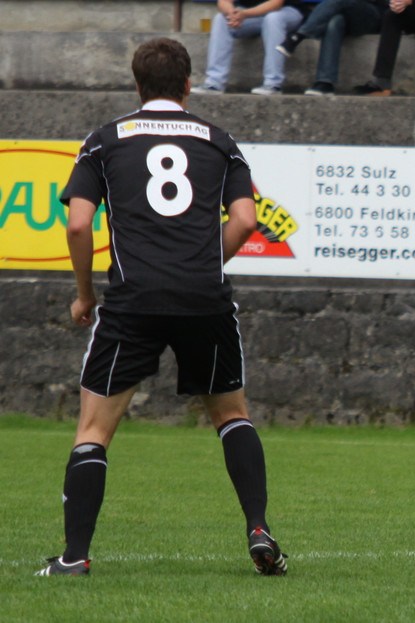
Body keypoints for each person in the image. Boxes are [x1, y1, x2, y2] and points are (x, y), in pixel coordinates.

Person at [36, 37, 287, 576]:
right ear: (189, 85)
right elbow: (245, 220)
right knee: (232, 415)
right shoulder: (220, 141)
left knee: (94, 430)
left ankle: (74, 557)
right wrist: (202, 263)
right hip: (205, 299)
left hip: (134, 300)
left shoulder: (104, 141)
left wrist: (85, 294)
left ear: (137, 86)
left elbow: (78, 225)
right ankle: (259, 528)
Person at [192, 0, 306, 95]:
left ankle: (273, 84)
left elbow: (275, 4)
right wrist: (233, 14)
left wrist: (245, 14)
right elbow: (224, 2)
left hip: (286, 12)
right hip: (251, 14)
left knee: (273, 19)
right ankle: (214, 83)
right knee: (221, 19)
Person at [275, 0, 387, 96]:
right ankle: (325, 82)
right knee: (334, 21)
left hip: (372, 13)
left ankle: (298, 36)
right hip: (342, 11)